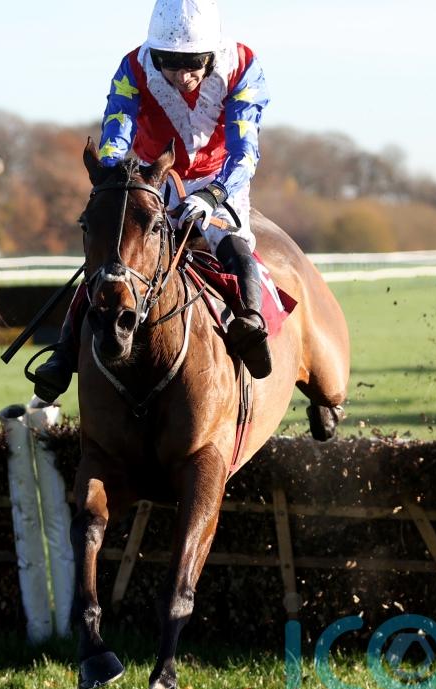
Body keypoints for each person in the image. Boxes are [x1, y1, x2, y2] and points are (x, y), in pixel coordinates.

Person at [32, 0, 271, 403]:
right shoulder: (133, 67)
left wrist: (213, 195)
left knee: (234, 244)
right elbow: (117, 130)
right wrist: (111, 175)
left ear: (213, 53)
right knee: (111, 260)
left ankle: (250, 322)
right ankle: (64, 352)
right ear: (153, 53)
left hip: (219, 179)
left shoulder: (243, 65)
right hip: (150, 178)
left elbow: (244, 152)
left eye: (194, 63)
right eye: (169, 63)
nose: (183, 75)